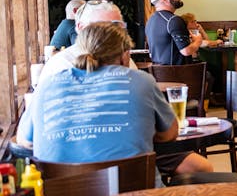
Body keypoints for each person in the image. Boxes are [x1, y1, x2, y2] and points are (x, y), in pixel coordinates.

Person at [19, 22, 212, 179]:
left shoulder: (47, 84)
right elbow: (169, 134)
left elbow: (24, 141)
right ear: (124, 55)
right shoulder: (140, 80)